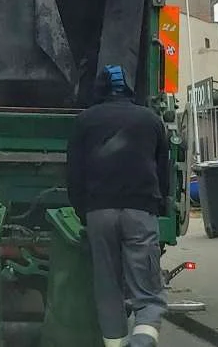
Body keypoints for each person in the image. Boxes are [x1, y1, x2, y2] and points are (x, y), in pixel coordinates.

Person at [66, 64, 170, 347]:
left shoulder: (85, 121)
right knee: (146, 286)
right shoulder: (150, 120)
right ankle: (143, 339)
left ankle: (115, 343)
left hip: (99, 211)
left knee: (108, 285)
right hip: (139, 209)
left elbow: (74, 172)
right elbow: (163, 170)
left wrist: (82, 210)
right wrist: (159, 206)